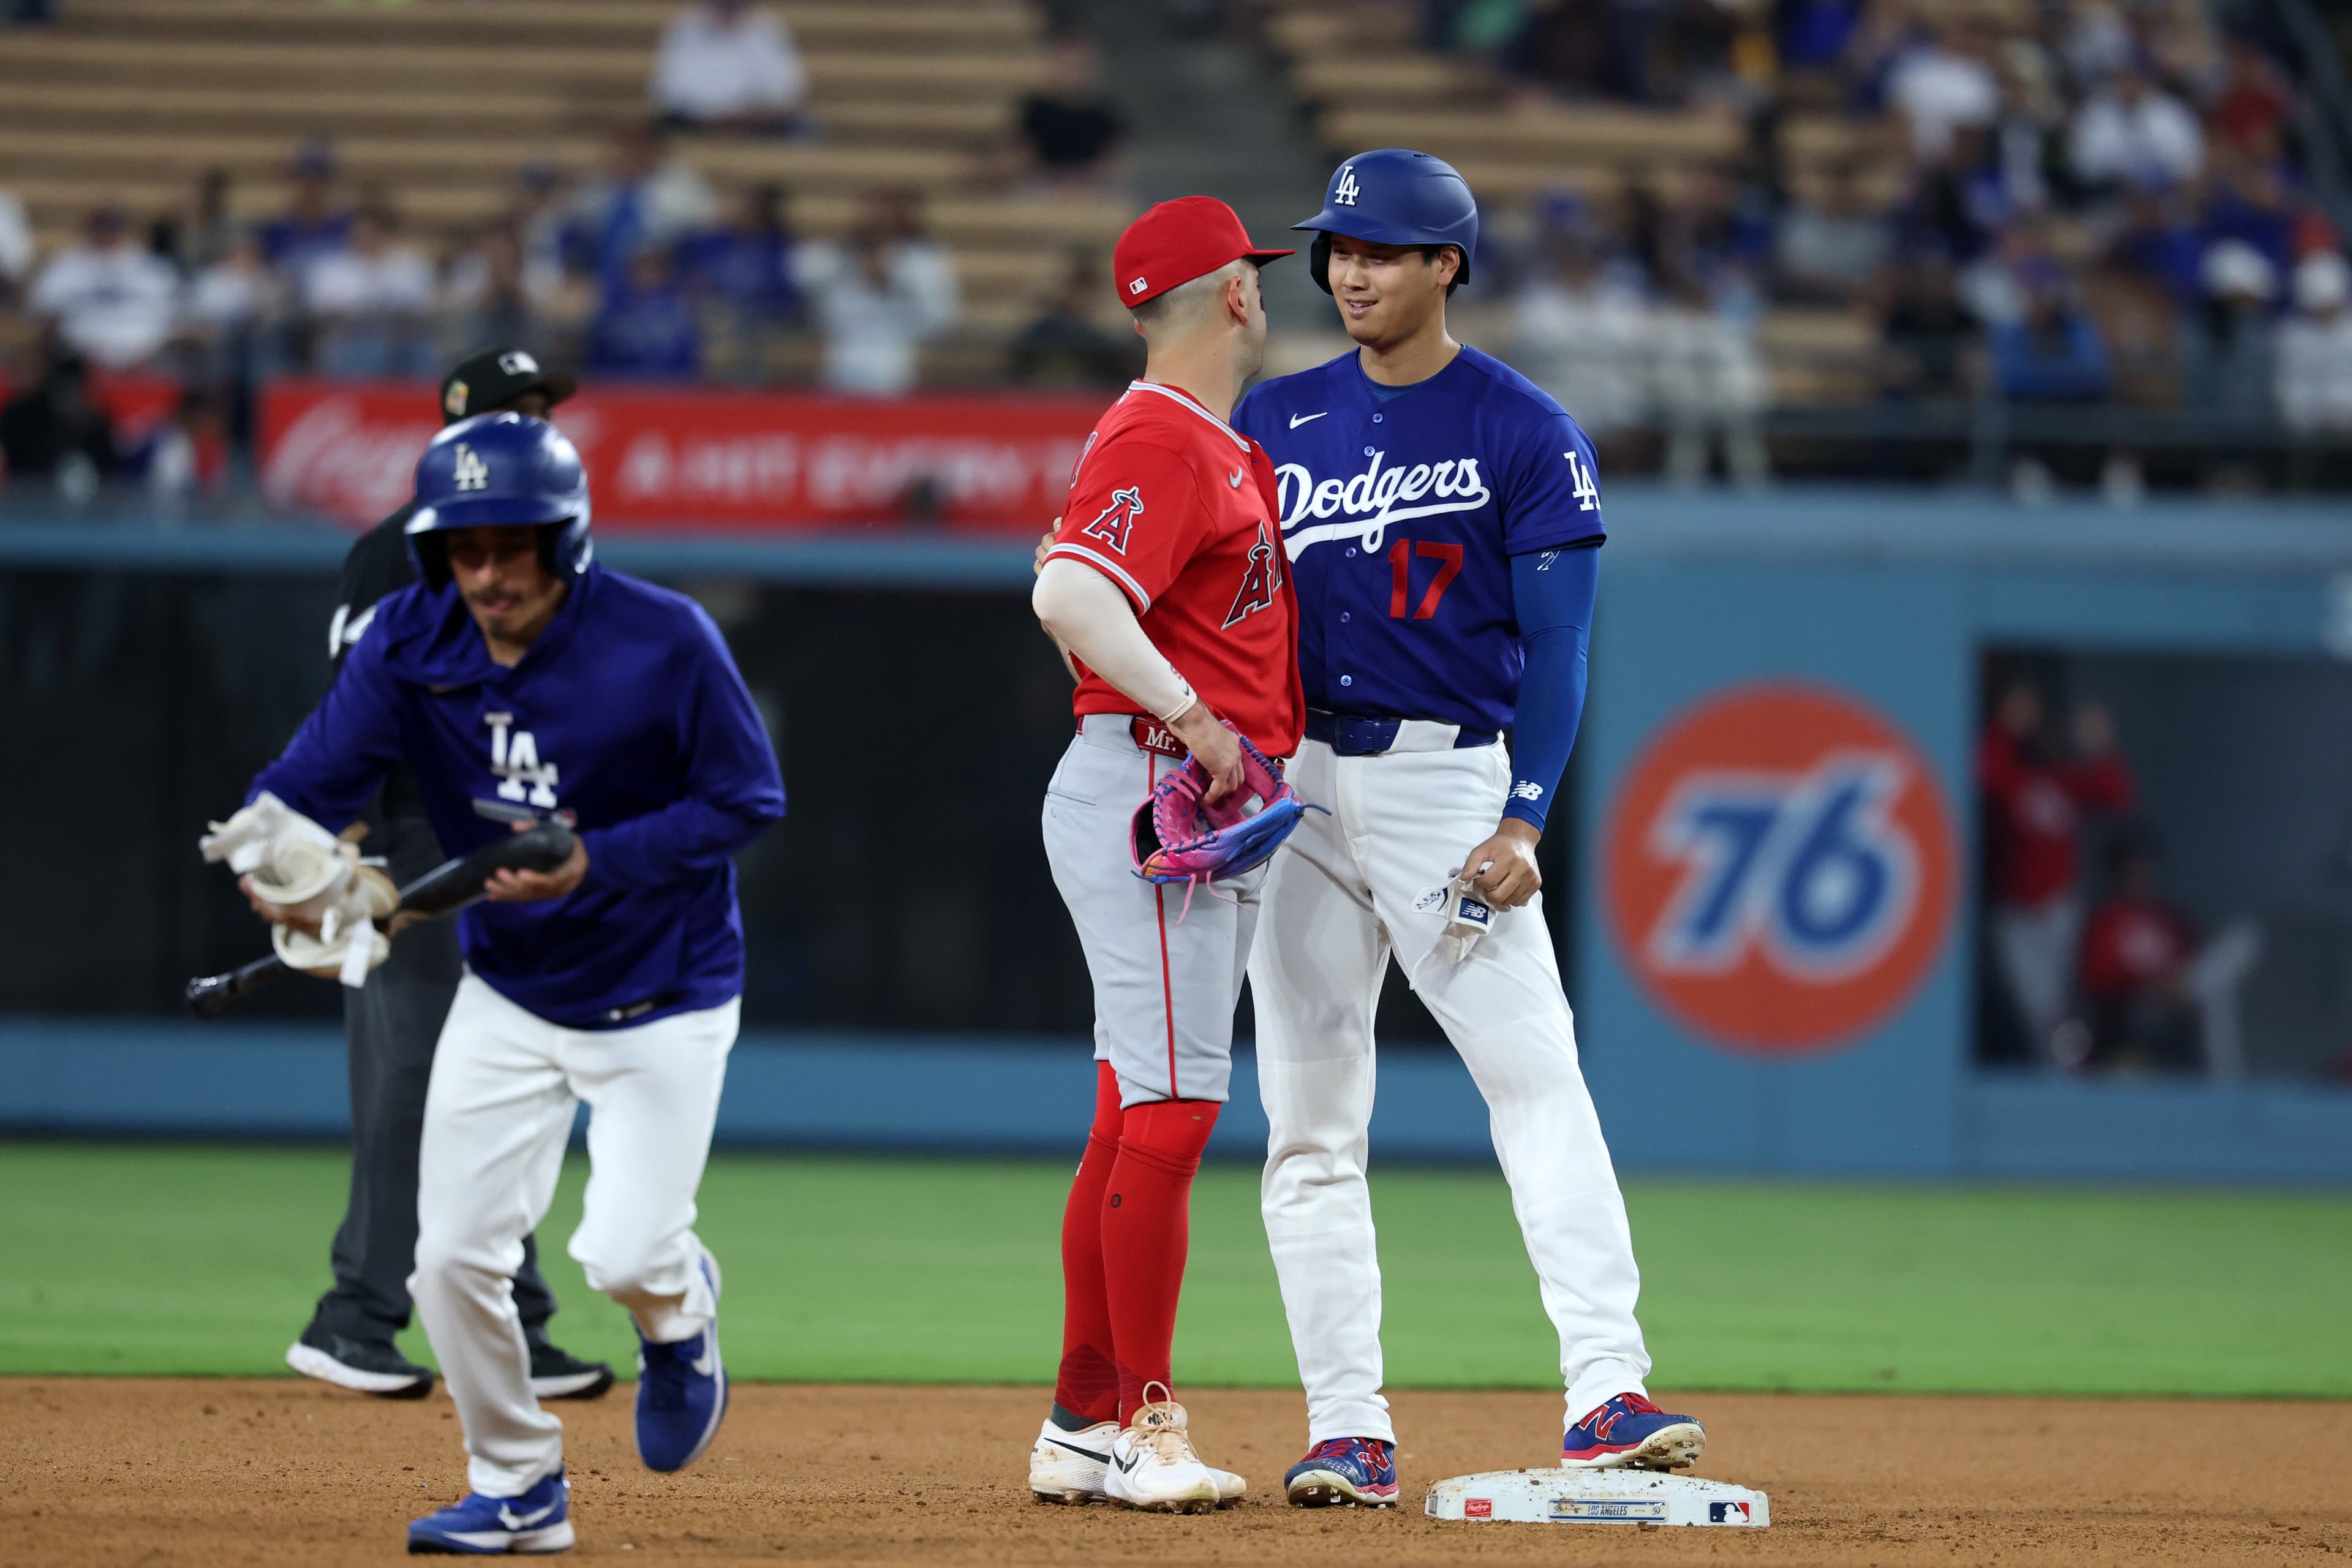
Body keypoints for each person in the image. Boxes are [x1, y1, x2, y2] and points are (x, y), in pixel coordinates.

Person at [216, 410, 785, 1554]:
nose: (485, 574)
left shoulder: (664, 638)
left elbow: (747, 800)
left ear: (564, 540)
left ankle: (677, 1312)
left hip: (664, 989)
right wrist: (267, 857)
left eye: (509, 546)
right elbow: (308, 783)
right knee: (447, 1262)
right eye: (461, 550)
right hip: (511, 988)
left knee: (622, 1251)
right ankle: (517, 1480)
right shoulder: (408, 642)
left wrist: (595, 863)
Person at [1230, 149, 1704, 1508]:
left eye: (1380, 249)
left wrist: (1527, 812)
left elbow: (1558, 652)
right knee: (1311, 1119)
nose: (1351, 271)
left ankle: (1607, 1386)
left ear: (1449, 264)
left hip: (1453, 787)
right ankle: (1347, 1424)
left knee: (1535, 1076)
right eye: (1337, 248)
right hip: (1304, 782)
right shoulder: (1275, 419)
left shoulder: (1523, 425)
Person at [1025, 196, 1301, 1513]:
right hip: (1156, 791)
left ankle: (1083, 1414)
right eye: (1257, 272)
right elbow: (1069, 593)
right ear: (1237, 295)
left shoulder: (1190, 438)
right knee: (1177, 1110)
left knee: (1134, 1102)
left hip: (1155, 787)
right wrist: (1193, 716)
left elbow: (1085, 590)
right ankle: (1144, 1419)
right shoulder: (1167, 433)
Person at [287, 350, 609, 1408]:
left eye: (545, 410)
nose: (540, 424)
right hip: (415, 840)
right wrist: (345, 843)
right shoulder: (400, 549)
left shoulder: (552, 547)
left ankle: (512, 1321)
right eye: (520, 410)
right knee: (415, 1083)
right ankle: (355, 1317)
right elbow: (356, 711)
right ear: (464, 427)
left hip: (511, 842)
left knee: (516, 1082)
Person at [1978, 680, 2134, 1060]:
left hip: (2061, 907)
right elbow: (1981, 769)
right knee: (2035, 1006)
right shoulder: (2011, 778)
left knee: (2061, 1003)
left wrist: (2101, 745)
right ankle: (2053, 1075)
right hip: (2015, 912)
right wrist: (2005, 726)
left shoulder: (2066, 781)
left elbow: (2118, 794)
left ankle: (2065, 1074)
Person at [793, 189, 959, 396]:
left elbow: (941, 315)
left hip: (894, 354)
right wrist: (849, 263)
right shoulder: (837, 253)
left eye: (888, 214)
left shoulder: (924, 259)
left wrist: (892, 283)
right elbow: (802, 277)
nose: (879, 220)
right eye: (873, 213)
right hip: (843, 349)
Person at [26, 206, 181, 369]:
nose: (107, 235)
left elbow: (175, 313)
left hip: (148, 359)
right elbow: (41, 308)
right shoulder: (66, 265)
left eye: (112, 229)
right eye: (101, 229)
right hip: (79, 360)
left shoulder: (151, 266)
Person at [649, 0, 809, 135]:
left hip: (756, 122)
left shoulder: (767, 28)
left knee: (801, 128)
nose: (727, 10)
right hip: (698, 123)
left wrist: (745, 115)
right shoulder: (685, 27)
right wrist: (718, 117)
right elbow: (669, 92)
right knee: (660, 128)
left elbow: (788, 91)